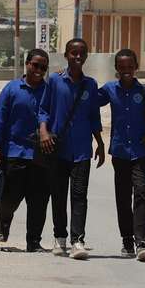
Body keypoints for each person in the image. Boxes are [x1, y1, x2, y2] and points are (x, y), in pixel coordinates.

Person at [97, 48, 145, 262]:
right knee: (122, 197)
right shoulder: (110, 89)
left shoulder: (144, 91)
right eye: (122, 67)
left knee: (141, 193)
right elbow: (90, 100)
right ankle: (127, 241)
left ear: (136, 67)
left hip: (141, 152)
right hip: (120, 152)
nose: (126, 71)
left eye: (130, 67)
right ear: (116, 68)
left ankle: (142, 243)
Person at [38, 38, 105, 259]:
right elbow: (43, 110)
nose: (77, 56)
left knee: (79, 196)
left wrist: (100, 142)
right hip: (58, 149)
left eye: (81, 53)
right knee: (58, 195)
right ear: (66, 55)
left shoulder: (91, 85)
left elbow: (94, 116)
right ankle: (60, 238)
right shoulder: (55, 81)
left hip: (82, 151)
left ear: (86, 56)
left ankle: (78, 241)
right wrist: (44, 132)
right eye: (73, 53)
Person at [0, 49, 52, 252]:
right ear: (27, 64)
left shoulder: (49, 91)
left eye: (43, 67)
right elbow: (0, 118)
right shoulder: (12, 89)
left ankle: (33, 241)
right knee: (10, 197)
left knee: (38, 200)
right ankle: (4, 220)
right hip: (14, 152)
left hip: (41, 155)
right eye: (35, 65)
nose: (39, 70)